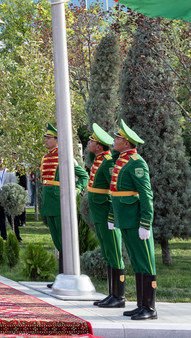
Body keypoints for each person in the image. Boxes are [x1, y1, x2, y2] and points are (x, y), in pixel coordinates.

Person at [110, 120, 157, 321]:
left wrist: (145, 222)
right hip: (126, 219)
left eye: (118, 138)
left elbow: (146, 194)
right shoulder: (122, 159)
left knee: (146, 263)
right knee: (137, 263)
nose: (114, 140)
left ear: (127, 143)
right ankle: (141, 305)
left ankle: (150, 308)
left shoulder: (137, 162)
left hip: (136, 219)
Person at [40, 123, 88, 281]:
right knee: (56, 240)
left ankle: (67, 275)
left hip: (60, 202)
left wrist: (76, 189)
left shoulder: (65, 157)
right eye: (45, 138)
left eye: (49, 138)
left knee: (63, 241)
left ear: (57, 140)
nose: (46, 141)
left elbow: (83, 176)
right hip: (48, 202)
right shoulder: (46, 157)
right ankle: (61, 276)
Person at [86, 123, 125, 309]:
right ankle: (111, 294)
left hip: (106, 215)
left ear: (99, 146)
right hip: (99, 214)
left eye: (91, 141)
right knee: (108, 254)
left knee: (115, 254)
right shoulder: (99, 160)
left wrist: (112, 216)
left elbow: (114, 191)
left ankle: (119, 296)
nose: (89, 143)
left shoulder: (108, 162)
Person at [0, 157, 18, 240]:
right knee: (1, 220)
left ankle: (17, 237)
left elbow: (13, 185)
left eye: (1, 160)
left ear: (4, 161)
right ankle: (4, 237)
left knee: (11, 218)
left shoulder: (10, 172)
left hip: (7, 199)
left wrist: (7, 196)